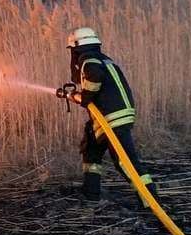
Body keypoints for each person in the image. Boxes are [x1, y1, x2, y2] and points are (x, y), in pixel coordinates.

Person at [65, 27, 156, 205]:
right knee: (90, 148)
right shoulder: (103, 59)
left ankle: (151, 199)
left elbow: (94, 77)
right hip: (111, 116)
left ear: (77, 48)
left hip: (112, 117)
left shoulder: (88, 58)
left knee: (125, 162)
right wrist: (78, 96)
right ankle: (91, 192)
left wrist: (85, 97)